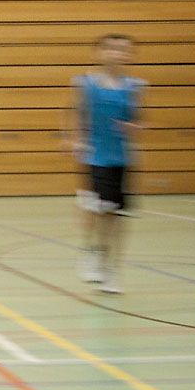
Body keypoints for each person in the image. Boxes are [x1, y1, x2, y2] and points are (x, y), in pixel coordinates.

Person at [69, 34, 145, 294]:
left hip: (122, 158)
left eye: (123, 50)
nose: (117, 54)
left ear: (130, 56)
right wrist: (75, 139)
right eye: (111, 49)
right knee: (98, 210)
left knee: (118, 217)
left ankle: (111, 271)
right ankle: (90, 253)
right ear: (99, 53)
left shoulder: (134, 87)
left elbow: (140, 121)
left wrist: (134, 128)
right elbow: (75, 113)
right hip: (95, 156)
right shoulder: (86, 84)